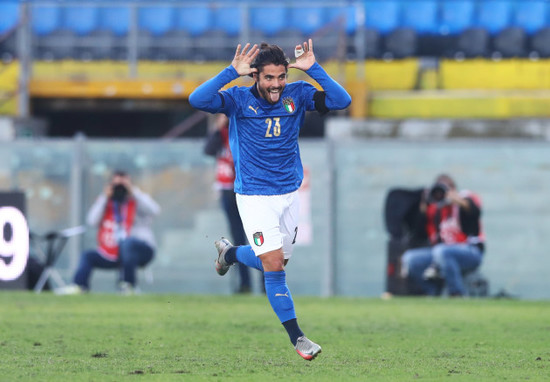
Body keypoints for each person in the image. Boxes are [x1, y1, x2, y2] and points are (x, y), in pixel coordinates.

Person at [189, 39, 351, 360]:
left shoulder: (298, 94)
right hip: (254, 196)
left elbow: (341, 100)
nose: (276, 84)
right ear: (255, 77)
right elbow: (198, 98)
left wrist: (313, 69)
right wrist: (228, 74)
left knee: (274, 261)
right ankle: (299, 339)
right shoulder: (236, 100)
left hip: (290, 194)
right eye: (269, 78)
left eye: (281, 77)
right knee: (275, 266)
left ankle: (231, 254)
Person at [58, 170, 160, 295]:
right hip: (112, 250)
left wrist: (133, 192)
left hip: (139, 250)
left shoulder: (137, 201)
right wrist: (104, 197)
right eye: (116, 184)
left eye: (123, 184)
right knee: (87, 256)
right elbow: (92, 220)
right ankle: (79, 286)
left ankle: (128, 286)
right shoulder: (107, 203)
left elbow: (155, 210)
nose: (120, 188)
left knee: (128, 243)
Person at [204, 113, 263, 294]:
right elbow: (208, 150)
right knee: (238, 238)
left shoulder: (244, 133)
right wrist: (219, 127)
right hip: (227, 190)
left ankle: (266, 283)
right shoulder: (221, 135)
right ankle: (245, 283)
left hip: (247, 190)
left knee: (259, 238)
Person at [400, 174, 485, 297]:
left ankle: (457, 294)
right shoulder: (434, 209)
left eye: (446, 188)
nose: (442, 193)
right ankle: (434, 294)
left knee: (442, 251)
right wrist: (424, 205)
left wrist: (456, 199)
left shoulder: (464, 198)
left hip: (471, 252)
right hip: (440, 254)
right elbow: (417, 233)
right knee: (410, 259)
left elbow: (474, 210)